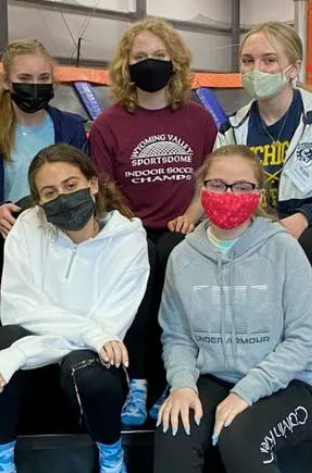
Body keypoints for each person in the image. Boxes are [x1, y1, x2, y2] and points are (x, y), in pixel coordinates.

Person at [215, 22, 312, 424]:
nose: (257, 70)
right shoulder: (232, 127)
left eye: (269, 60)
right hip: (254, 223)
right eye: (248, 61)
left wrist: (304, 218)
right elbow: (220, 187)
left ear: (292, 68)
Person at [0, 144, 150, 473]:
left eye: (71, 185)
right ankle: (2, 460)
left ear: (93, 184)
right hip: (33, 376)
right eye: (49, 193)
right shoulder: (26, 228)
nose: (62, 198)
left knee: (89, 366)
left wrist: (25, 351)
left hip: (82, 375)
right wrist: (86, 332)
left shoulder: (129, 239)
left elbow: (108, 328)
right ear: (39, 202)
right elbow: (18, 310)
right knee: (3, 342)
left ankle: (112, 458)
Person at [154, 144, 312, 473]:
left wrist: (246, 392)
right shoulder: (182, 256)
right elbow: (177, 337)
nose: (229, 194)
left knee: (240, 439)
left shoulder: (283, 249)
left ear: (259, 195)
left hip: (287, 383)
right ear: (201, 188)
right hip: (212, 376)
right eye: (217, 184)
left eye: (242, 186)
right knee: (174, 429)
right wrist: (182, 385)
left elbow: (304, 339)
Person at [89, 17, 216, 425]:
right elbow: (105, 189)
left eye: (159, 55)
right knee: (141, 263)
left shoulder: (199, 120)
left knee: (175, 259)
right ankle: (138, 381)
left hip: (184, 225)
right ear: (125, 65)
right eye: (140, 56)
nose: (150, 62)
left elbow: (208, 179)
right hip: (131, 227)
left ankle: (172, 381)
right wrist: (130, 224)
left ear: (175, 61)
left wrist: (192, 215)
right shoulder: (108, 125)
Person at [0, 39, 87, 281]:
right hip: (10, 236)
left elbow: (84, 183)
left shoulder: (71, 128)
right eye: (24, 78)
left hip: (62, 231)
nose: (35, 86)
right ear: (6, 81)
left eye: (43, 78)